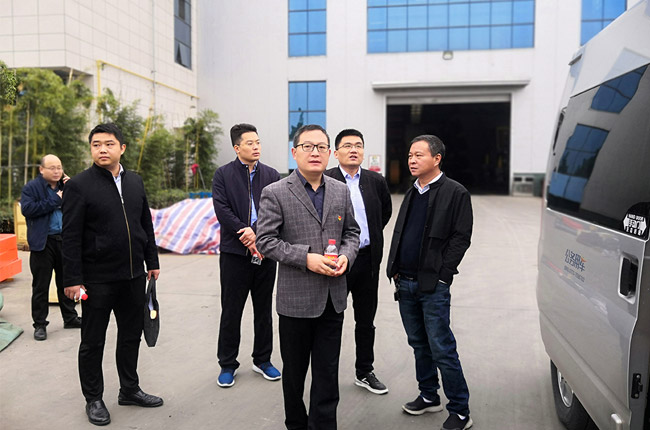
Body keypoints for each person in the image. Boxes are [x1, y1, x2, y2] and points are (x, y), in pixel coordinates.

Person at [256, 124, 360, 430]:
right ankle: (296, 424)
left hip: (332, 298)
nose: (315, 152)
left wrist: (346, 255)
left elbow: (352, 233)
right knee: (294, 373)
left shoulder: (340, 190)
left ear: (330, 153)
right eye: (307, 146)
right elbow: (266, 241)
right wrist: (306, 259)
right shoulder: (275, 192)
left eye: (321, 147)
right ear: (295, 152)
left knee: (327, 373)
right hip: (295, 301)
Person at [62, 123, 162, 426]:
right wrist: (72, 279)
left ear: (122, 148)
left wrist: (152, 260)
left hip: (133, 276)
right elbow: (70, 236)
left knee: (131, 336)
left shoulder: (135, 182)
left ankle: (129, 389)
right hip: (97, 279)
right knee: (92, 341)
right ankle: (93, 398)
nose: (102, 149)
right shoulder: (79, 185)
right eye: (96, 145)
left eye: (108, 144)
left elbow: (145, 224)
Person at [386, 135, 473, 430]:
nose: (412, 160)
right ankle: (428, 395)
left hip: (433, 285)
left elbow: (461, 238)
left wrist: (443, 275)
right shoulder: (412, 191)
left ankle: (460, 410)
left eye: (419, 155)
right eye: (410, 155)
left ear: (437, 159)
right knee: (419, 344)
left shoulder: (455, 192)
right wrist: (395, 268)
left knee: (441, 347)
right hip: (405, 282)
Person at [212, 123, 281, 387]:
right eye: (250, 143)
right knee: (231, 310)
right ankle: (227, 364)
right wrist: (245, 232)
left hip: (265, 252)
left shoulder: (272, 175)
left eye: (258, 142)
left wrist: (257, 233)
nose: (256, 147)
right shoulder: (223, 175)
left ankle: (263, 360)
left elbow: (276, 210)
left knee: (263, 310)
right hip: (234, 254)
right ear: (236, 147)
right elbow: (222, 209)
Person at [324, 129, 392, 395]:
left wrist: (368, 237)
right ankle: (327, 374)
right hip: (336, 261)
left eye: (358, 145)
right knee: (331, 320)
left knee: (366, 320)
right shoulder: (326, 179)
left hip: (367, 260)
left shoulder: (376, 181)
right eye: (347, 145)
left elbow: (384, 213)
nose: (354, 150)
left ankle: (364, 371)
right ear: (336, 152)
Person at [21, 154, 81, 341]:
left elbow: (80, 207)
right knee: (41, 286)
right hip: (43, 243)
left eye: (59, 167)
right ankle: (40, 324)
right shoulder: (32, 188)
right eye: (52, 168)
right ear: (41, 170)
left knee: (67, 282)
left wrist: (74, 189)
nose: (57, 171)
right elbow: (27, 209)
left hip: (65, 241)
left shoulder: (66, 186)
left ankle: (70, 317)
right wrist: (56, 200)